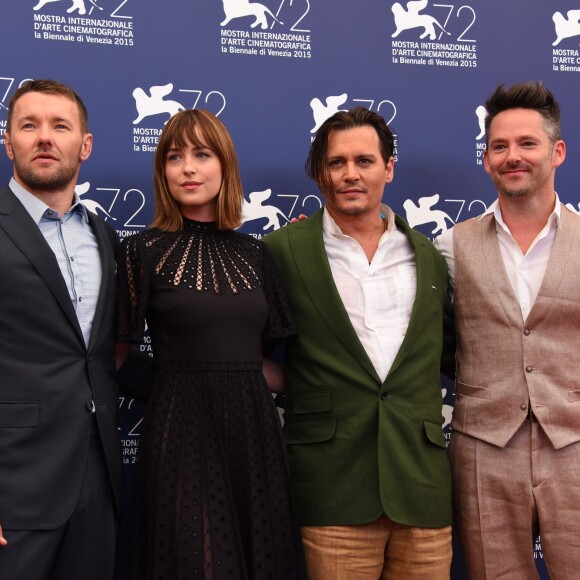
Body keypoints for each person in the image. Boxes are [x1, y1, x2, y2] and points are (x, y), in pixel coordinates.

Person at [263, 107, 455, 579]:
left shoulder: (429, 256)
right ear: (320, 173)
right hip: (332, 488)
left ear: (389, 168)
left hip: (421, 488)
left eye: (365, 161)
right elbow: (247, 350)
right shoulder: (282, 251)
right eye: (337, 163)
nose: (350, 174)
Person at [116, 109, 307, 580]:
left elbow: (262, 364)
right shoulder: (141, 250)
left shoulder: (257, 253)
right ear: (162, 171)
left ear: (225, 165)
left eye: (202, 154)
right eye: (174, 156)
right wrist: (176, 388)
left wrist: (325, 392)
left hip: (254, 435)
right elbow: (117, 356)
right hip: (180, 436)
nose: (188, 168)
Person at [434, 81, 580, 579]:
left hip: (575, 445)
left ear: (556, 151)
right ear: (486, 158)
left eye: (526, 144)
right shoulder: (450, 245)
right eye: (499, 146)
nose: (512, 156)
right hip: (484, 448)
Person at [0, 79, 122, 579]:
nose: (44, 138)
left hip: (99, 482)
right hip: (15, 487)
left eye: (60, 126)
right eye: (29, 125)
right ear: (9, 141)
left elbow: (104, 353)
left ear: (85, 145)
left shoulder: (104, 236)